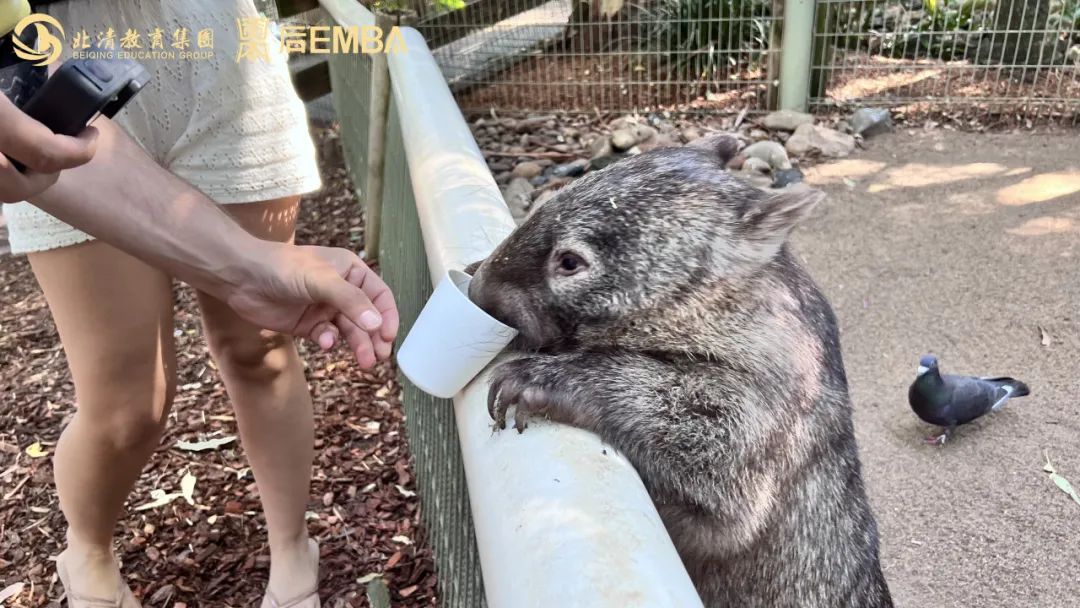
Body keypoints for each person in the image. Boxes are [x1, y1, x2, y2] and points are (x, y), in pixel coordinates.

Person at [1, 2, 398, 606]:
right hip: (52, 59)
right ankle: (86, 553)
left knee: (260, 346)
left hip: (219, 51)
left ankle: (293, 547)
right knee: (127, 404)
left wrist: (252, 266)